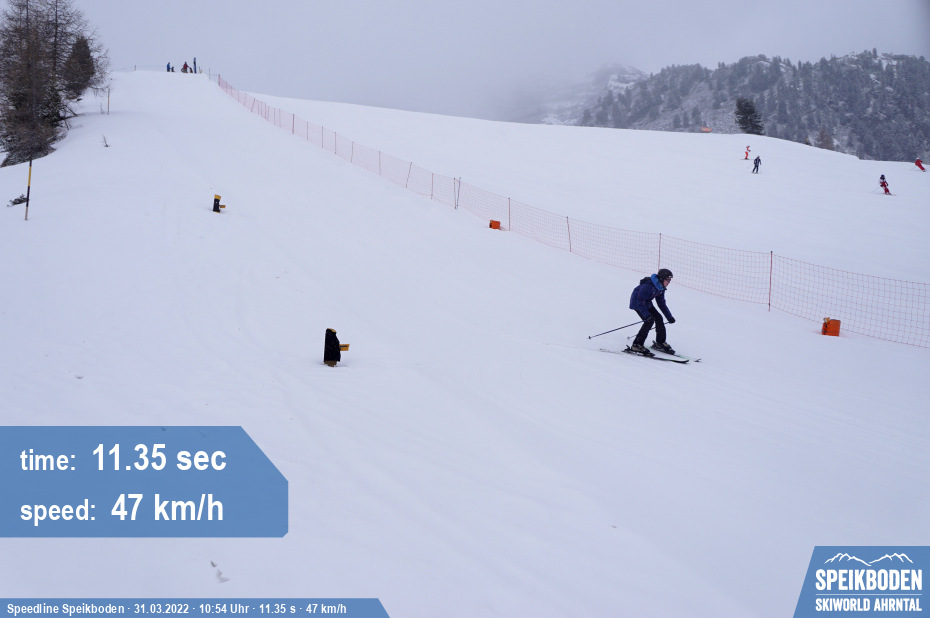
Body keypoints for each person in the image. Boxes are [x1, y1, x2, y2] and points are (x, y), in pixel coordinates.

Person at [628, 269, 676, 356]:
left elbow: (661, 304)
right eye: (668, 280)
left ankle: (660, 342)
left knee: (659, 318)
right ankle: (637, 345)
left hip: (647, 303)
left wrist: (669, 317)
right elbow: (640, 301)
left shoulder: (661, 288)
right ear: (662, 279)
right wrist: (647, 315)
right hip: (637, 303)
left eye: (670, 280)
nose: (669, 282)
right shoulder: (648, 286)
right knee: (649, 321)